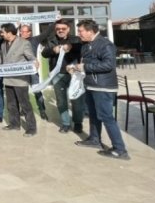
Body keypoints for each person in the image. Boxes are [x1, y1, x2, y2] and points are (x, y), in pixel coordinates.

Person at [70, 20, 129, 160]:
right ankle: (94, 139)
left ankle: (120, 149)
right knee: (93, 114)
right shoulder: (86, 45)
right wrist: (75, 67)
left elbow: (109, 64)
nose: (79, 34)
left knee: (106, 117)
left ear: (90, 31)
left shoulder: (105, 44)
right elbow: (85, 62)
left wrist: (85, 67)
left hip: (103, 87)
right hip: (90, 85)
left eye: (81, 31)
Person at [42, 19, 83, 133]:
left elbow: (81, 50)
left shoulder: (76, 39)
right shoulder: (51, 40)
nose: (60, 30)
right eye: (58, 29)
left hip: (74, 74)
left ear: (68, 29)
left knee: (76, 99)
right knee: (61, 101)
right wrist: (53, 50)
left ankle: (78, 122)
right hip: (57, 74)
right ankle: (65, 123)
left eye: (63, 28)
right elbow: (44, 53)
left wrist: (71, 47)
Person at [0, 23, 37, 137]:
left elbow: (31, 57)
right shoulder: (3, 44)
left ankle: (31, 128)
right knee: (11, 104)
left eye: (2, 32)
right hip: (8, 78)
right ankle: (14, 124)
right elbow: (1, 60)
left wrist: (35, 61)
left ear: (9, 33)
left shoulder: (24, 43)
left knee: (25, 105)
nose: (1, 34)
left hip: (20, 80)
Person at [19, 24, 52, 120]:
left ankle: (42, 110)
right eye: (21, 31)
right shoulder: (17, 41)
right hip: (21, 71)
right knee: (22, 92)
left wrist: (55, 21)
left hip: (32, 71)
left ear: (29, 32)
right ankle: (23, 109)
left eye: (25, 31)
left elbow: (46, 33)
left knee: (37, 91)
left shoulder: (35, 40)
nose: (22, 33)